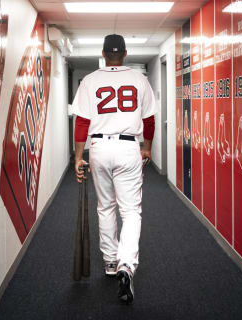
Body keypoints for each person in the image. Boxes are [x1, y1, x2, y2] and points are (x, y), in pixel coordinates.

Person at [71, 34, 156, 304]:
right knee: (130, 210)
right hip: (128, 146)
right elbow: (149, 119)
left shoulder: (90, 80)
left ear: (104, 53)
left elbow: (82, 122)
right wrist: (147, 148)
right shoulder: (140, 79)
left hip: (98, 147)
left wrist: (77, 157)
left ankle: (109, 262)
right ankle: (126, 264)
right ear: (126, 53)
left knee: (105, 206)